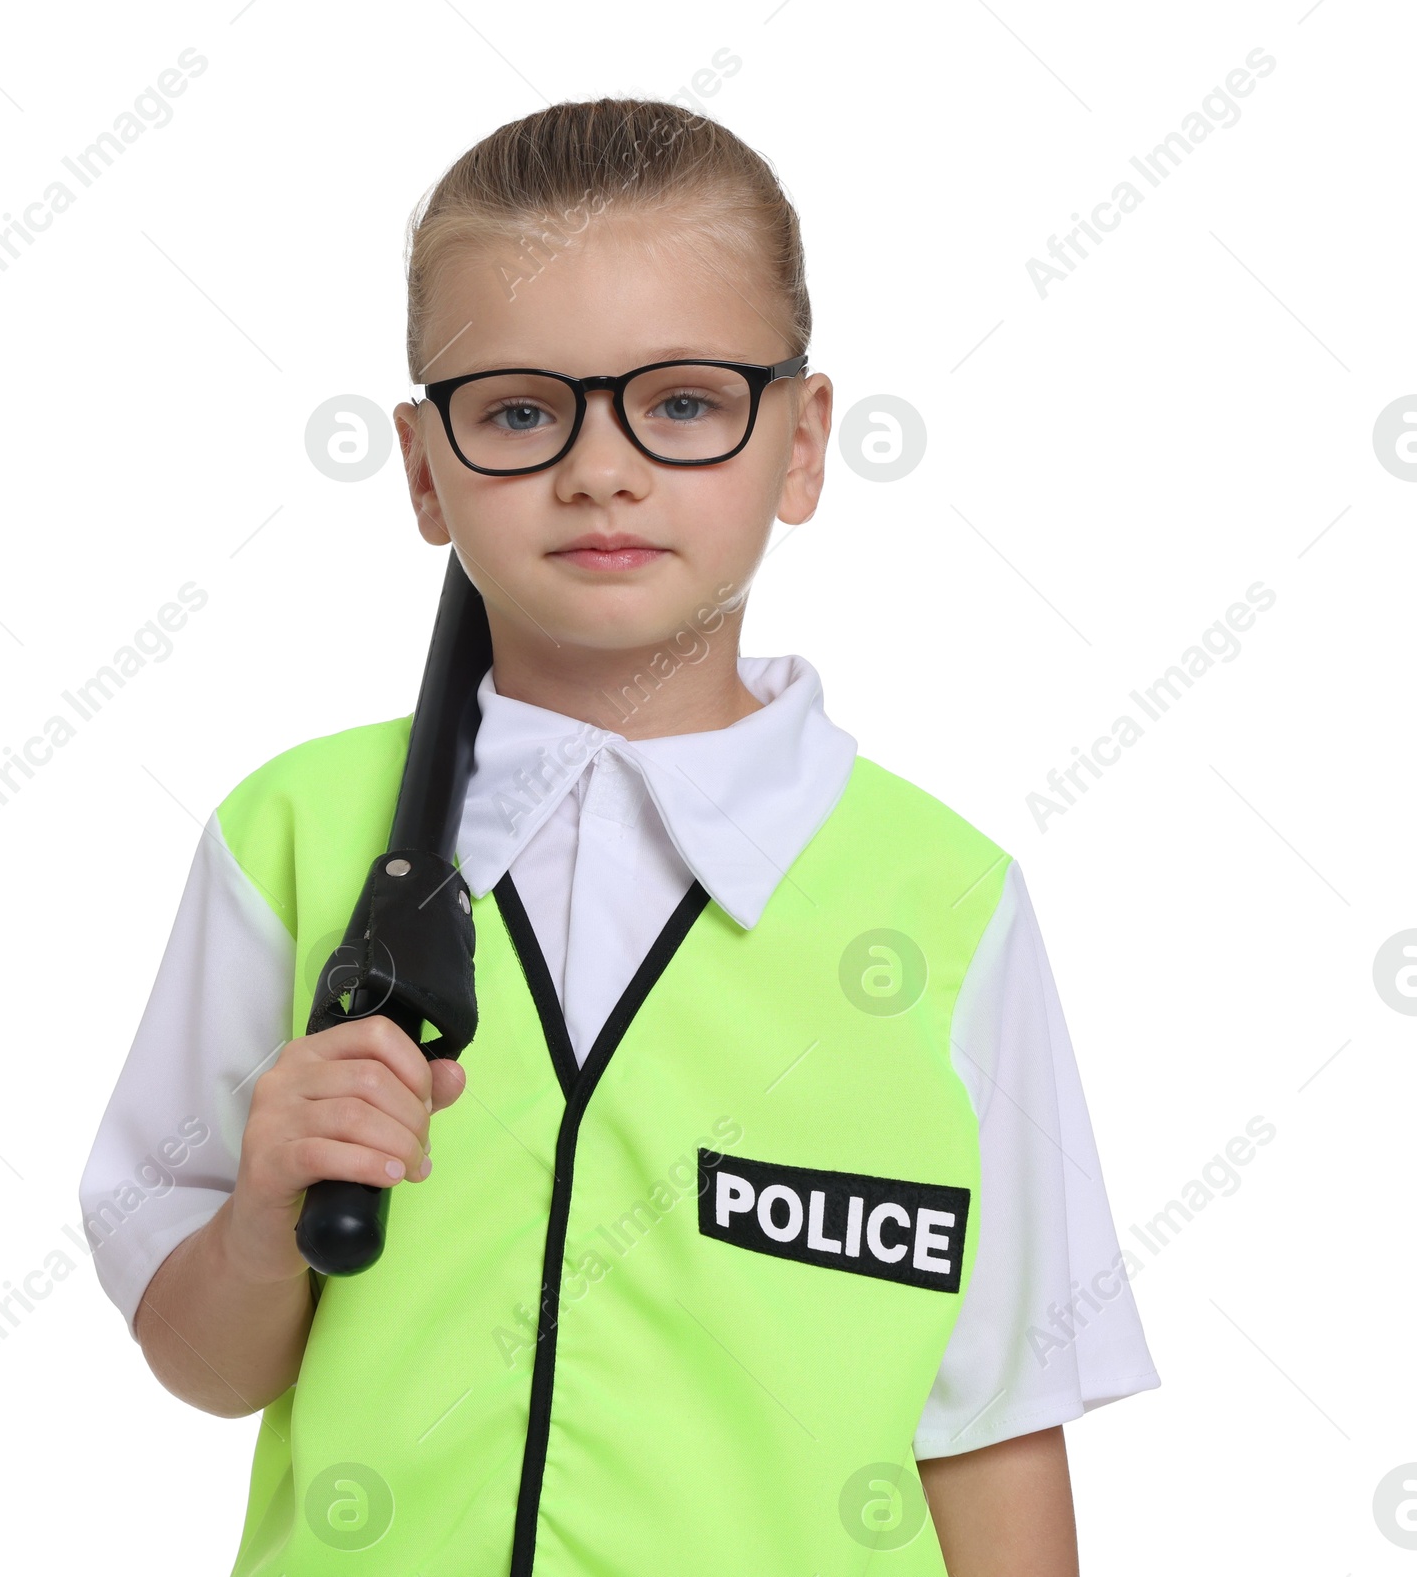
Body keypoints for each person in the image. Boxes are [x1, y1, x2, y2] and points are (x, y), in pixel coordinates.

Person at [79, 98, 1159, 1575]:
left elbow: (993, 1422)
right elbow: (207, 1361)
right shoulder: (292, 842)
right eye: (521, 409)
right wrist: (267, 1210)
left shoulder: (945, 906)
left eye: (687, 401)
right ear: (420, 463)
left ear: (802, 440)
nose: (601, 468)